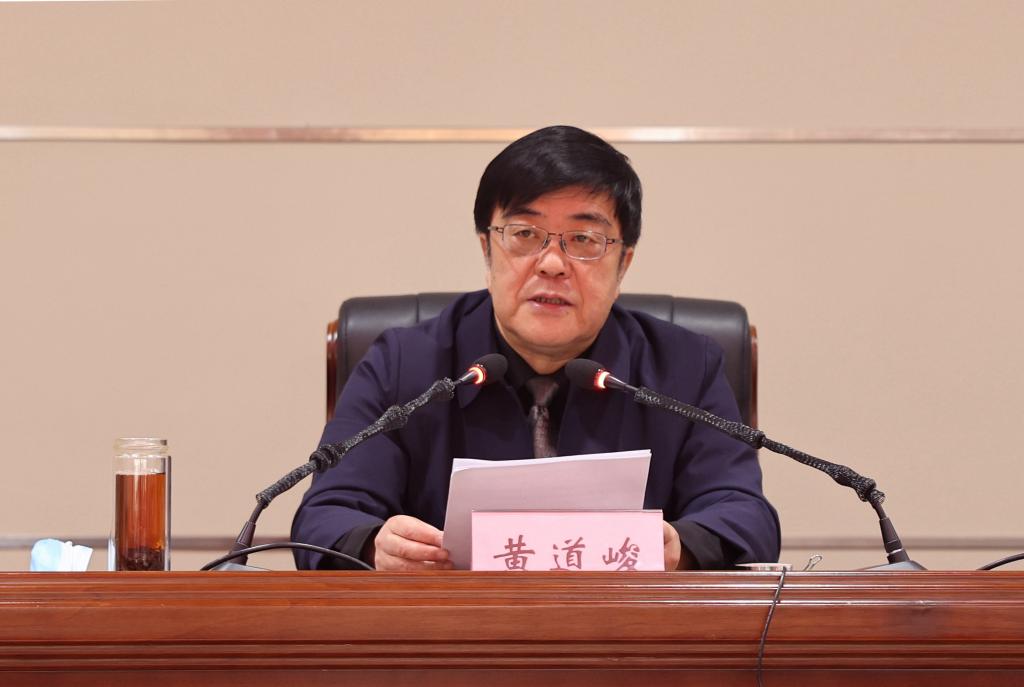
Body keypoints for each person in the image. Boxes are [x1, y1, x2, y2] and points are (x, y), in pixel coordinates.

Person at [292, 125, 780, 571]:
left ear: (624, 264)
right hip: (450, 634)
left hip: (627, 634)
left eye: (583, 239)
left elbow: (745, 516)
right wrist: (375, 546)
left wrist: (680, 546)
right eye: (524, 234)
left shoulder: (685, 368)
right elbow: (326, 516)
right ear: (487, 249)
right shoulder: (405, 365)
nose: (552, 264)